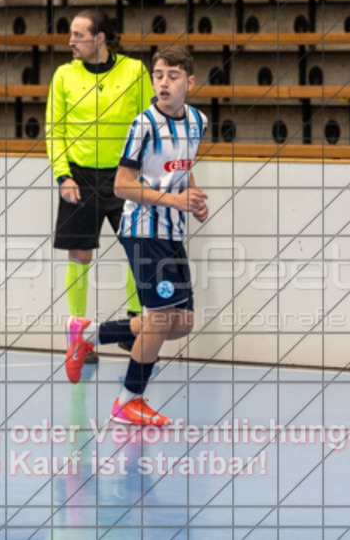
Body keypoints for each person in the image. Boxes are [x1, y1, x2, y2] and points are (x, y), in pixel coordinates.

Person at [64, 46, 209, 427]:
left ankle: (89, 333)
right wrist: (174, 199)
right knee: (160, 319)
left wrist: (192, 200)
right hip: (143, 229)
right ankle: (128, 400)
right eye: (158, 75)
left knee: (182, 324)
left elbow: (183, 168)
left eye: (172, 76)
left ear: (189, 83)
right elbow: (122, 185)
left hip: (173, 229)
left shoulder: (198, 121)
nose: (163, 82)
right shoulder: (143, 125)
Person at [46, 10, 151, 355]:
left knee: (138, 250)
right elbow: (55, 131)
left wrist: (143, 174)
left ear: (100, 38)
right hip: (79, 176)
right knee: (79, 254)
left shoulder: (135, 71)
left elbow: (148, 123)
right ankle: (77, 338)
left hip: (124, 175)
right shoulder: (63, 75)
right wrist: (63, 175)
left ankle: (132, 328)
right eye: (71, 34)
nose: (71, 41)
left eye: (78, 35)